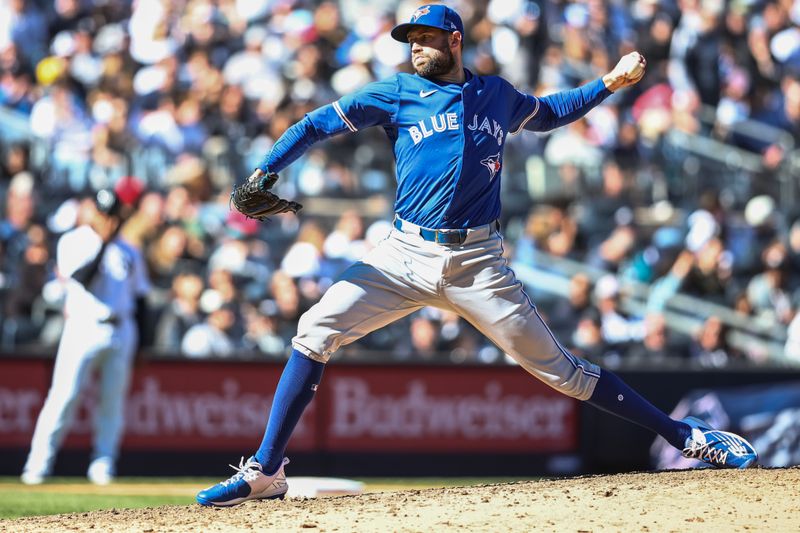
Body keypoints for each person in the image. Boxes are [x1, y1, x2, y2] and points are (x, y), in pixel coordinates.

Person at [196, 5, 758, 507]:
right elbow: (318, 123)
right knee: (313, 328)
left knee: (564, 373)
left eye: (426, 37)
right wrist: (266, 168)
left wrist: (607, 83)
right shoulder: (396, 92)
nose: (415, 47)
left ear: (454, 40)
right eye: (410, 38)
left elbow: (551, 111)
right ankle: (266, 469)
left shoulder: (495, 94)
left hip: (478, 262)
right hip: (404, 252)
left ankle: (687, 437)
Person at [21, 185, 150, 485]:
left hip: (121, 328)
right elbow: (83, 279)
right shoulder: (74, 241)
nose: (108, 220)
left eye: (113, 215)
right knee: (63, 397)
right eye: (104, 213)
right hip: (83, 326)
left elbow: (141, 297)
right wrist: (104, 243)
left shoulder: (130, 250)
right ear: (93, 211)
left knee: (112, 402)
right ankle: (38, 464)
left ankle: (103, 464)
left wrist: (143, 343)